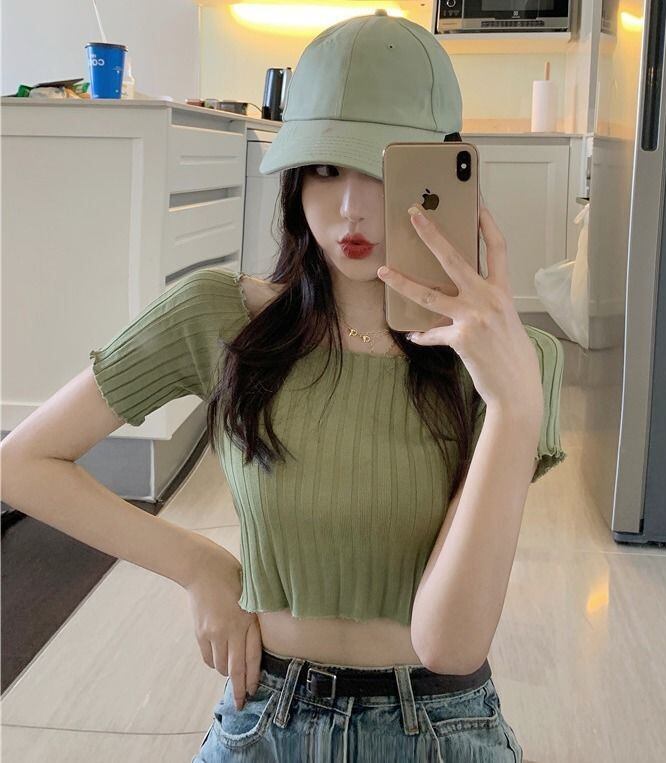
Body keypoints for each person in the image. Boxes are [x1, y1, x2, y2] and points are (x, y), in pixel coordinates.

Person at [1, 10, 565, 762]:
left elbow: (451, 643)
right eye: (325, 168)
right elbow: (22, 462)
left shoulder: (518, 366)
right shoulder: (217, 315)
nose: (350, 207)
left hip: (442, 726)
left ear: (440, 177)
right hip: (264, 716)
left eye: (382, 169)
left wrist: (513, 405)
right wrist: (197, 563)